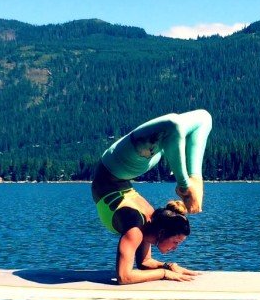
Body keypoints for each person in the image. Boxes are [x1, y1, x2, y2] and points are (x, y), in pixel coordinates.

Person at [91, 110, 212, 285]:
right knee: (173, 125)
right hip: (117, 165)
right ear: (162, 232)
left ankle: (194, 179)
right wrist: (163, 273)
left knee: (204, 118)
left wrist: (169, 266)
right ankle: (185, 185)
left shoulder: (150, 227)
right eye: (176, 241)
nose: (176, 247)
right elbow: (123, 277)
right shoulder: (135, 229)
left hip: (131, 166)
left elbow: (144, 263)